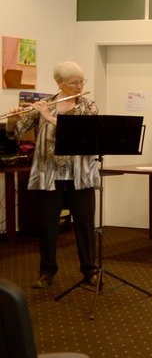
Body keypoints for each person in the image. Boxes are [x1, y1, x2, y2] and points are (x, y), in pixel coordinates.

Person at [6, 61, 99, 289]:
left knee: (85, 225)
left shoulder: (88, 106)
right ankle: (46, 271)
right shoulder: (45, 104)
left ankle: (89, 270)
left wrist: (50, 117)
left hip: (81, 175)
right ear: (60, 83)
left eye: (81, 81)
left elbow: (81, 133)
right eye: (73, 82)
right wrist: (13, 117)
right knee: (48, 225)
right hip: (50, 175)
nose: (79, 86)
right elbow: (16, 132)